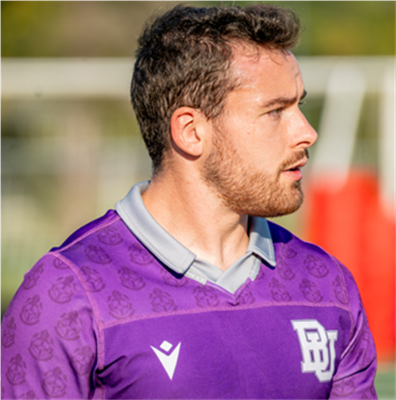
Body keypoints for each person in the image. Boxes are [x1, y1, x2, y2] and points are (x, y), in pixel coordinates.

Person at [0, 4, 377, 399]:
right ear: (191, 131)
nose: (307, 132)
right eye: (275, 111)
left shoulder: (326, 283)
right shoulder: (66, 293)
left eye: (299, 105)